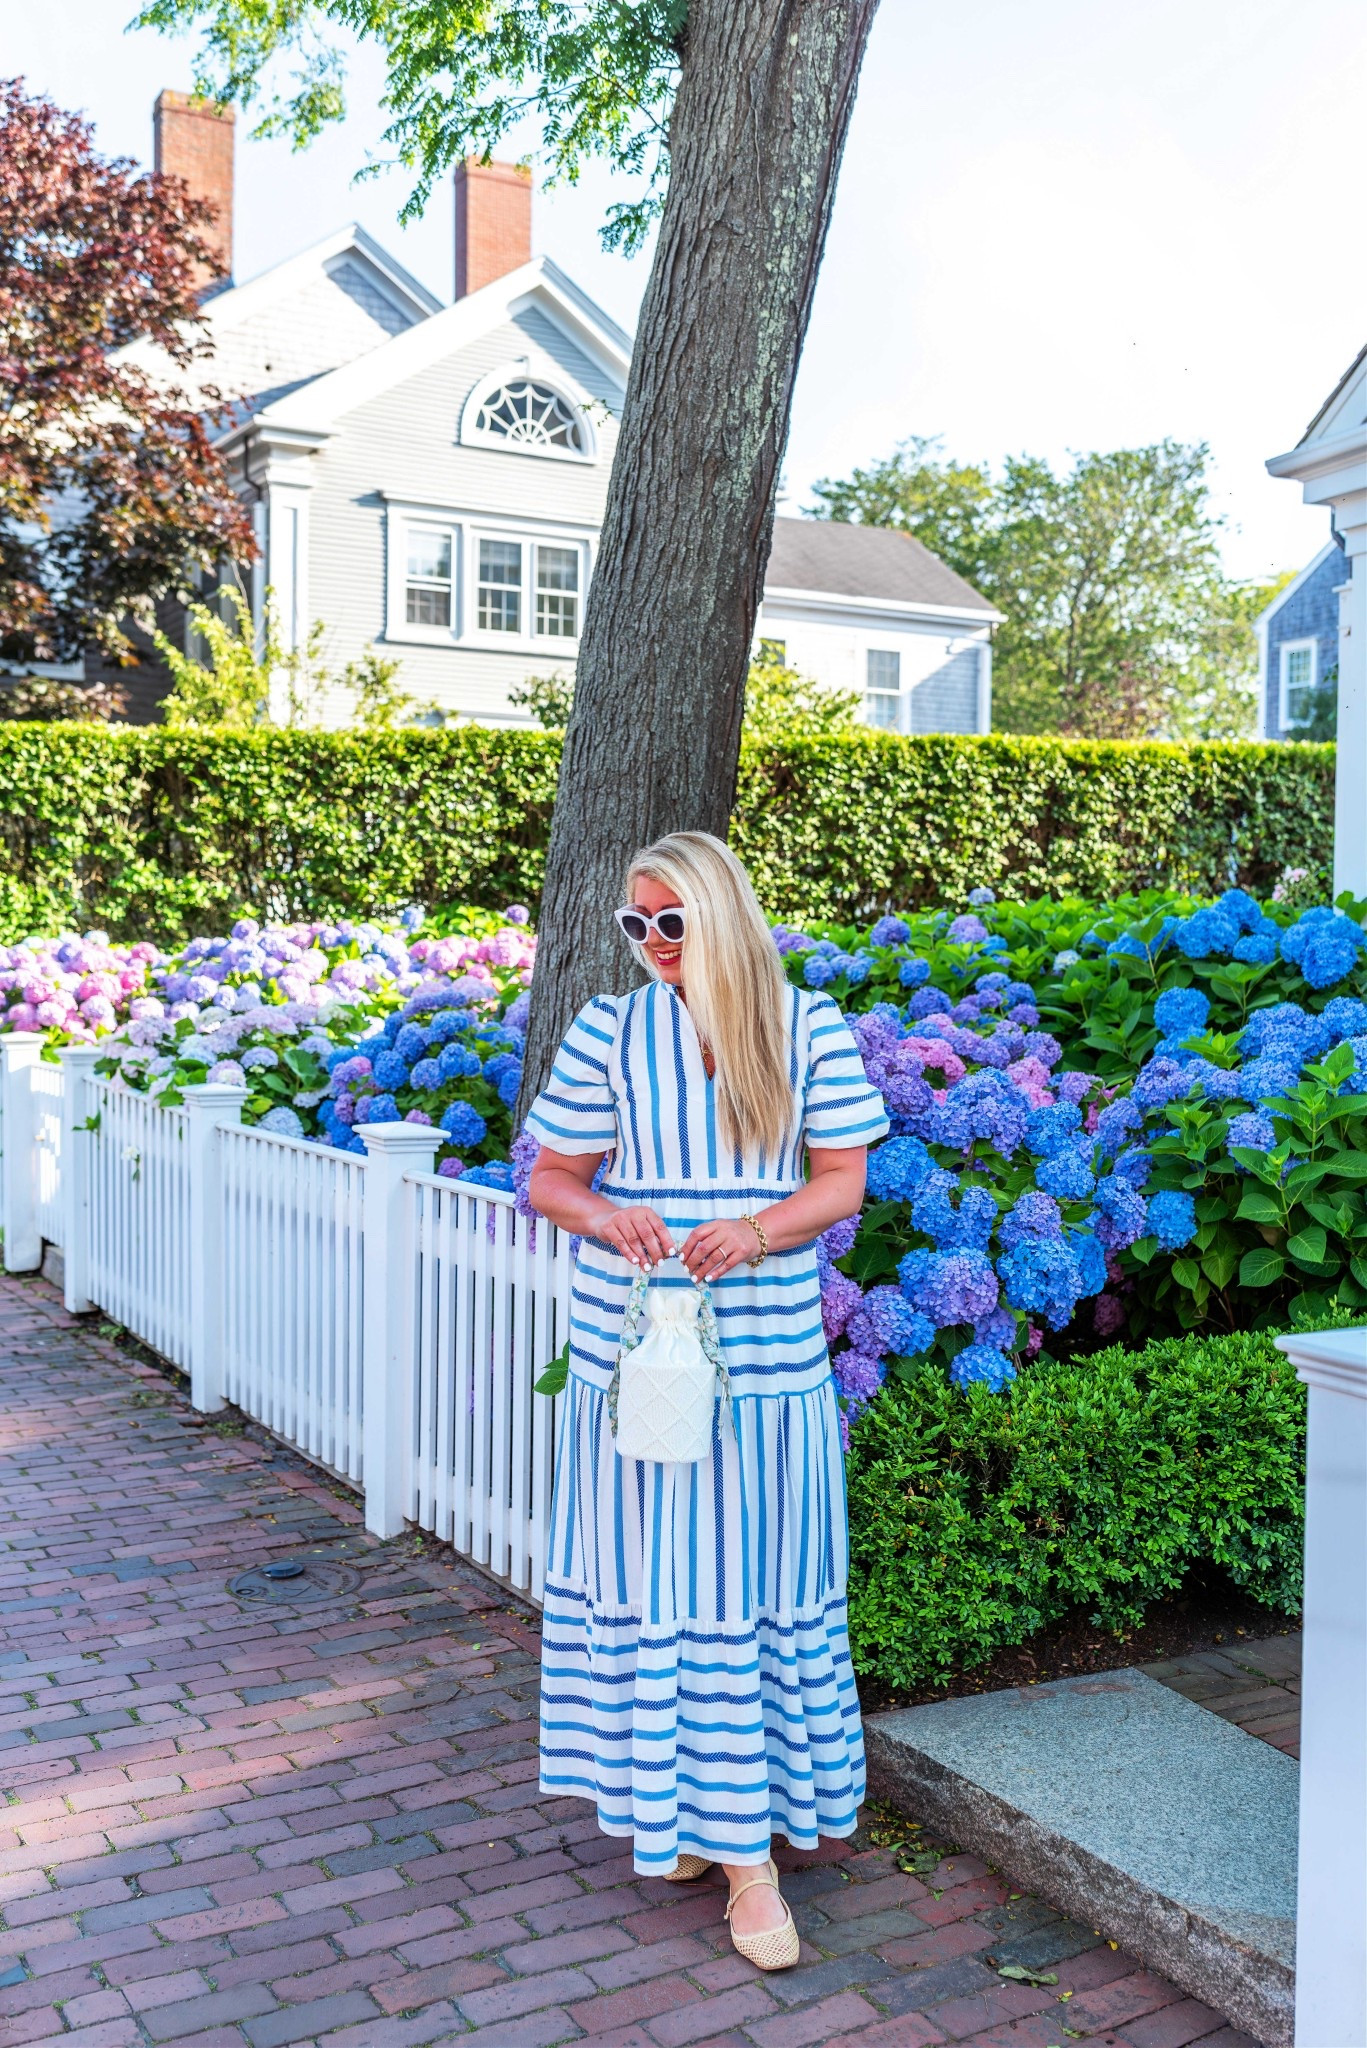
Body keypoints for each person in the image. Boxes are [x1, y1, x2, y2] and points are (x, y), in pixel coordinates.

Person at [525, 831, 888, 1970]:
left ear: (722, 913)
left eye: (669, 923)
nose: (650, 946)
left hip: (764, 1345)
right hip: (636, 1339)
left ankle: (746, 1862)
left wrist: (757, 1227)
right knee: (655, 1575)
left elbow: (841, 1179)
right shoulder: (607, 1029)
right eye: (634, 925)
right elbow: (548, 1175)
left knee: (739, 1577)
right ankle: (693, 1824)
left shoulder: (805, 1024)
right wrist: (605, 1217)